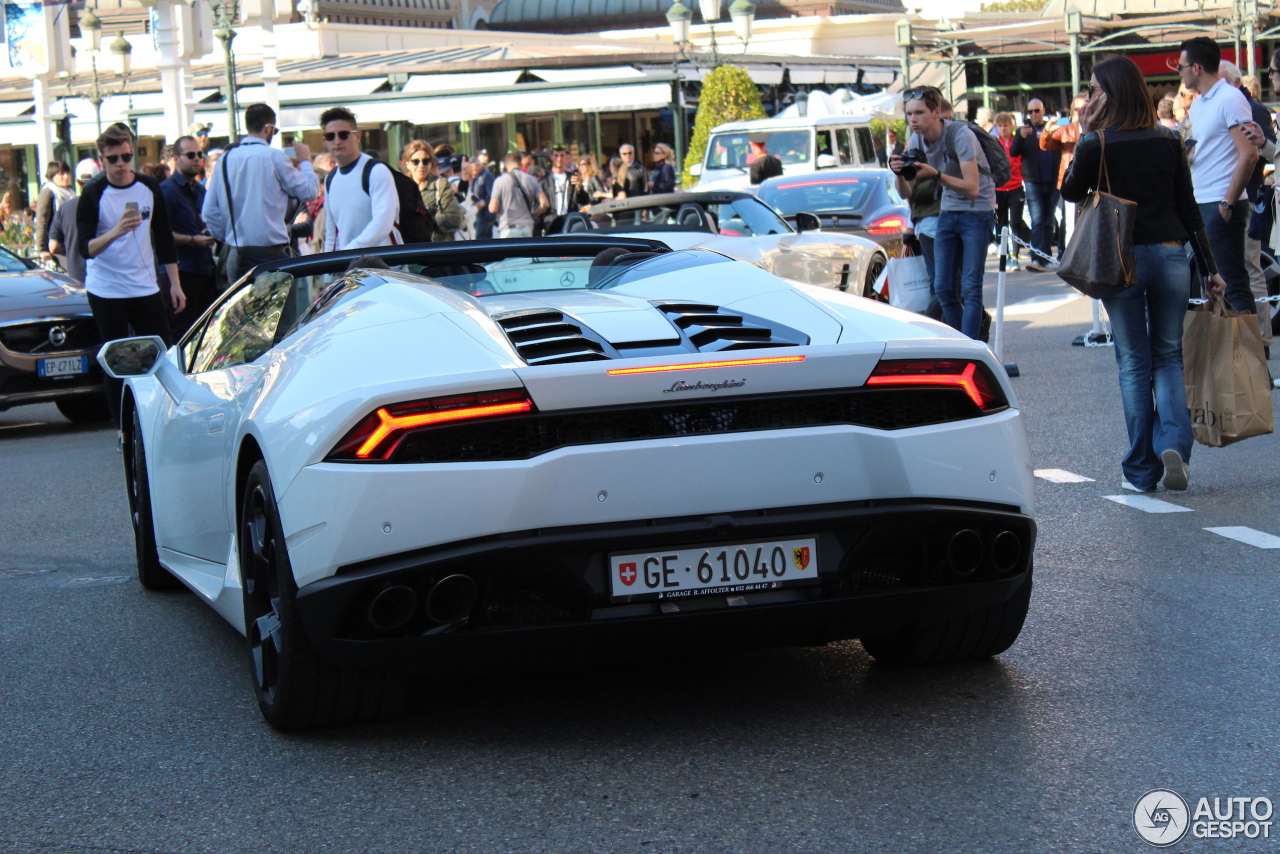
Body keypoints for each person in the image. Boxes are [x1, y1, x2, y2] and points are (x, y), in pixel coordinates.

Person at [1062, 54, 1226, 493]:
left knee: (1134, 361)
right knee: (1169, 355)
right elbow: (1188, 209)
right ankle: (1173, 441)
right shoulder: (1168, 140)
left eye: (1096, 89)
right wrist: (1211, 269)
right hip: (1171, 254)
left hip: (1122, 257)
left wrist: (1084, 135)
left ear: (1110, 93)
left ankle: (1141, 467)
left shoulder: (1097, 142)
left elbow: (1070, 191)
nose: (1091, 96)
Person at [75, 124, 183, 426]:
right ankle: (122, 427)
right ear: (101, 160)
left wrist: (175, 283)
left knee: (161, 353)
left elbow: (163, 237)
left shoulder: (149, 187)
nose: (121, 164)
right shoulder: (94, 192)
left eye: (126, 156)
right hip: (106, 289)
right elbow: (86, 248)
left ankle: (165, 418)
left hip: (145, 285)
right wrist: (117, 231)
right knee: (117, 359)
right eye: (113, 159)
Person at [890, 86, 997, 340]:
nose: (913, 119)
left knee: (970, 288)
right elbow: (907, 193)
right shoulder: (916, 139)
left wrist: (935, 174)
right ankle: (962, 343)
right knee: (943, 288)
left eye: (919, 113)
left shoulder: (961, 135)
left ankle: (971, 349)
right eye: (909, 114)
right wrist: (900, 174)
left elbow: (972, 189)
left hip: (977, 210)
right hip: (949, 209)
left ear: (937, 112)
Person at [1179, 36, 1258, 315]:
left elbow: (1249, 153)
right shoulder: (1199, 104)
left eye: (1182, 66)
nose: (1180, 72)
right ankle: (1228, 355)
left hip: (1221, 202)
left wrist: (1228, 202)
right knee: (1211, 285)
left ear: (1197, 68)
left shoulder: (1230, 98)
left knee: (1232, 282)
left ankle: (1249, 355)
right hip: (1202, 201)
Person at [202, 103, 316, 282]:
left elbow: (209, 212)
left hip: (238, 252)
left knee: (241, 310)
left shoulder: (225, 160)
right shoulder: (275, 157)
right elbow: (309, 192)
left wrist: (231, 238)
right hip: (272, 253)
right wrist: (306, 161)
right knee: (281, 309)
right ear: (268, 128)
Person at [1221, 60, 1274, 354]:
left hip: (1248, 198)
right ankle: (1243, 339)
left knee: (1250, 270)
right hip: (1228, 197)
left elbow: (1266, 151)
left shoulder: (1251, 108)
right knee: (1234, 272)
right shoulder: (1216, 105)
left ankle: (1261, 340)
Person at [320, 106, 400, 252]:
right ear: (325, 140)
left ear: (357, 137)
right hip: (350, 268)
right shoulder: (330, 179)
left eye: (344, 135)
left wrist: (350, 252)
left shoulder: (376, 171)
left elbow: (383, 222)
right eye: (331, 136)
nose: (337, 141)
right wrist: (329, 271)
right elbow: (332, 234)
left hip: (386, 266)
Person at [160, 135, 217, 337]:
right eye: (190, 155)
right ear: (176, 158)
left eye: (199, 154)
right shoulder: (167, 190)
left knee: (203, 337)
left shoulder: (200, 190)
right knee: (182, 336)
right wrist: (193, 240)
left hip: (203, 271)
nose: (196, 159)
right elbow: (159, 233)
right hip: (180, 273)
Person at [1009, 97, 1062, 271]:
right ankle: (1037, 258)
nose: (1033, 114)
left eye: (1036, 111)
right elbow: (1013, 151)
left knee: (1048, 220)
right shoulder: (1024, 131)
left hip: (1053, 179)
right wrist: (1019, 137)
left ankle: (1045, 257)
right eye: (1030, 111)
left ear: (1043, 111)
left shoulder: (1052, 128)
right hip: (1033, 181)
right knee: (1037, 220)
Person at [47, 159, 101, 281]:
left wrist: (73, 251)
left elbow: (53, 246)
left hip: (76, 276)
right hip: (106, 278)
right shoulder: (108, 206)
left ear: (77, 181)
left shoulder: (65, 208)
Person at [401, 140, 463, 242]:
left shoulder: (440, 184)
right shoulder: (400, 188)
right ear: (407, 163)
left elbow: (455, 220)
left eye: (426, 161)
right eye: (416, 161)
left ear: (431, 163)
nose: (421, 165)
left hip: (435, 249)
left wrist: (428, 219)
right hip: (409, 249)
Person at [993, 112, 1031, 270]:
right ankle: (1005, 255)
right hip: (999, 188)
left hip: (1016, 186)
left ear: (1011, 126)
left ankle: (1015, 257)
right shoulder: (994, 142)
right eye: (1000, 126)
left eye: (1006, 125)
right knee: (1000, 223)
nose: (1003, 129)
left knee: (1015, 222)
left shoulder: (1017, 141)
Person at [489, 151, 547, 238]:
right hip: (527, 227)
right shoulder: (531, 179)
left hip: (508, 228)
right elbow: (545, 204)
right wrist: (532, 216)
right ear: (521, 164)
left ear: (506, 165)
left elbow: (493, 208)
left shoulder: (500, 181)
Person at [540, 143, 587, 231]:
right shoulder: (545, 181)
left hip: (569, 220)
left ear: (566, 157)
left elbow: (583, 201)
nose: (559, 159)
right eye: (556, 156)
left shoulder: (572, 178)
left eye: (562, 155)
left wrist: (579, 187)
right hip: (551, 223)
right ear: (551, 157)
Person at [34, 161, 74, 263]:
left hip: (71, 242)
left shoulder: (71, 192)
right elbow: (42, 221)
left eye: (67, 173)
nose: (66, 176)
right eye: (62, 174)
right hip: (56, 245)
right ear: (52, 176)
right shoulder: (48, 192)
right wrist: (42, 249)